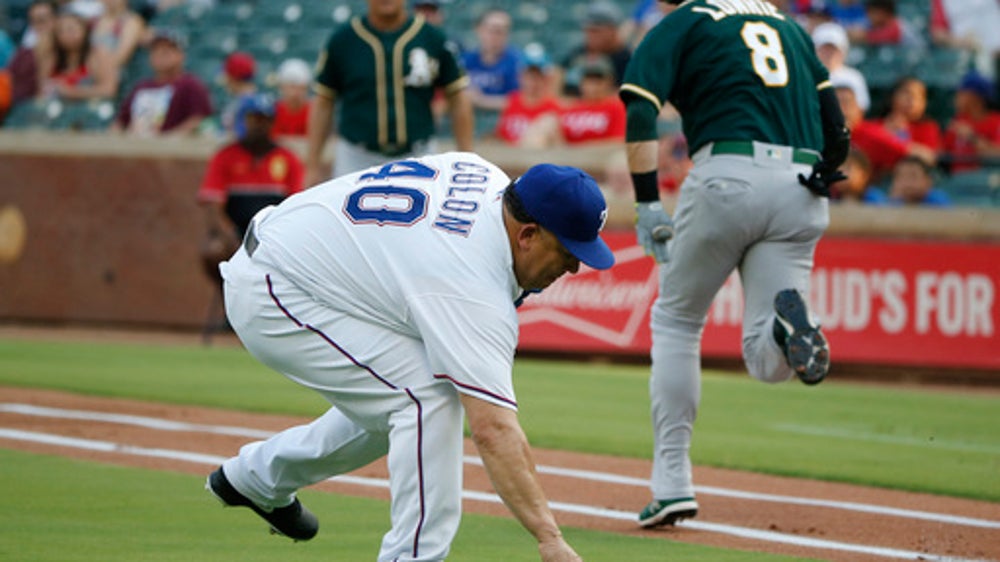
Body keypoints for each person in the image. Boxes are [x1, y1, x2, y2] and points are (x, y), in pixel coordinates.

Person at [205, 152, 610, 562]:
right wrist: (549, 536)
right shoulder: (468, 282)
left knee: (406, 399)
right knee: (425, 399)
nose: (575, 266)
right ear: (527, 234)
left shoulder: (485, 174)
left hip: (299, 252)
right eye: (567, 250)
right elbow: (493, 430)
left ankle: (255, 478)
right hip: (275, 288)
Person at [620, 0, 848, 528]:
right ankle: (791, 323)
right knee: (768, 364)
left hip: (727, 170)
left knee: (676, 320)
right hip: (802, 183)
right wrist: (825, 170)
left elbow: (638, 105)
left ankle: (672, 483)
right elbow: (835, 127)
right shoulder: (789, 27)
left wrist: (649, 200)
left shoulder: (685, 20)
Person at [304, 0, 474, 184]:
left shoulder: (432, 37)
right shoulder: (343, 40)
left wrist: (465, 158)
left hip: (418, 154)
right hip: (356, 156)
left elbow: (458, 98)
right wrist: (312, 165)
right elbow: (323, 102)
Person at [197, 93, 304, 264]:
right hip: (234, 231)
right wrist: (231, 237)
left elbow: (296, 206)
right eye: (253, 119)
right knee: (214, 251)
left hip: (273, 233)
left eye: (265, 119)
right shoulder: (225, 156)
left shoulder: (288, 158)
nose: (259, 125)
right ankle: (223, 289)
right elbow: (212, 205)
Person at [112, 28, 212, 136]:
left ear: (181, 55)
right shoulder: (141, 87)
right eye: (156, 49)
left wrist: (169, 140)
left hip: (171, 150)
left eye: (168, 48)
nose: (161, 53)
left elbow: (198, 119)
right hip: (136, 147)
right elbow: (121, 122)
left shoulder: (190, 84)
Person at [837, 84, 934, 183]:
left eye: (847, 103)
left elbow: (924, 156)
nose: (841, 109)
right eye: (835, 104)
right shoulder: (822, 135)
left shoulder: (869, 132)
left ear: (859, 109)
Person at [521, 57, 626, 147]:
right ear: (581, 82)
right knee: (546, 122)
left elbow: (618, 142)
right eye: (588, 79)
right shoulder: (571, 106)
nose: (592, 85)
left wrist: (579, 149)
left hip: (598, 159)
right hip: (564, 155)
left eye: (598, 80)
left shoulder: (615, 106)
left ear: (609, 82)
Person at [36, 10, 119, 103]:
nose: (65, 34)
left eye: (71, 29)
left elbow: (109, 90)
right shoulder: (51, 57)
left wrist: (72, 92)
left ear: (84, 30)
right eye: (60, 31)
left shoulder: (97, 54)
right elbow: (40, 92)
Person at [557, 1, 631, 98]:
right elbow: (557, 76)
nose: (590, 36)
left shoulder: (627, 59)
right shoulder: (579, 53)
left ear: (613, 30)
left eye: (596, 31)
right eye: (588, 30)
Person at [495, 49, 561, 145]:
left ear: (545, 79)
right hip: (509, 156)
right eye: (529, 75)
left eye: (538, 75)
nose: (533, 81)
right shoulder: (512, 101)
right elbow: (500, 137)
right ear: (521, 76)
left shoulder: (553, 107)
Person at [461, 9, 521, 113]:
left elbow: (523, 102)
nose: (496, 35)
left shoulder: (517, 62)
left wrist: (481, 100)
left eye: (502, 31)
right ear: (479, 29)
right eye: (492, 30)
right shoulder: (465, 60)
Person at [943, 71, 1000, 173]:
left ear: (975, 98)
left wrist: (971, 137)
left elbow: (997, 155)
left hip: (986, 181)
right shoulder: (958, 120)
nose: (956, 98)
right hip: (956, 181)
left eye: (961, 93)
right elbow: (943, 152)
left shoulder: (996, 121)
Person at [7, 1, 58, 106]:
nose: (37, 26)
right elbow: (9, 79)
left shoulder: (69, 50)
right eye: (33, 21)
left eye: (42, 20)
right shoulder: (24, 52)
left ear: (56, 20)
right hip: (19, 107)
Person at [811, 21, 870, 113]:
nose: (829, 54)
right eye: (824, 49)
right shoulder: (805, 77)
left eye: (834, 49)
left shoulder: (854, 77)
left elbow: (861, 109)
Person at [877, 76, 942, 154]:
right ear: (892, 97)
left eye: (920, 96)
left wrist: (902, 133)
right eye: (907, 94)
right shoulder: (875, 126)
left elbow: (928, 157)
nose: (912, 100)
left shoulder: (928, 128)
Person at [91, 0, 146, 69]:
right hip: (91, 71)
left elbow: (122, 57)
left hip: (117, 73)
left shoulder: (133, 21)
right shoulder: (95, 20)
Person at [218, 51, 257, 139]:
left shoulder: (248, 104)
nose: (225, 79)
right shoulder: (238, 101)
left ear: (233, 77)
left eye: (227, 75)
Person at [270, 58, 312, 138]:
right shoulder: (272, 111)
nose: (295, 93)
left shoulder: (313, 113)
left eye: (300, 88)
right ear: (282, 87)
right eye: (291, 87)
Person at [887, 155, 951, 206]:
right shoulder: (892, 202)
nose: (907, 182)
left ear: (928, 181)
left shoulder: (937, 201)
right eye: (901, 176)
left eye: (913, 176)